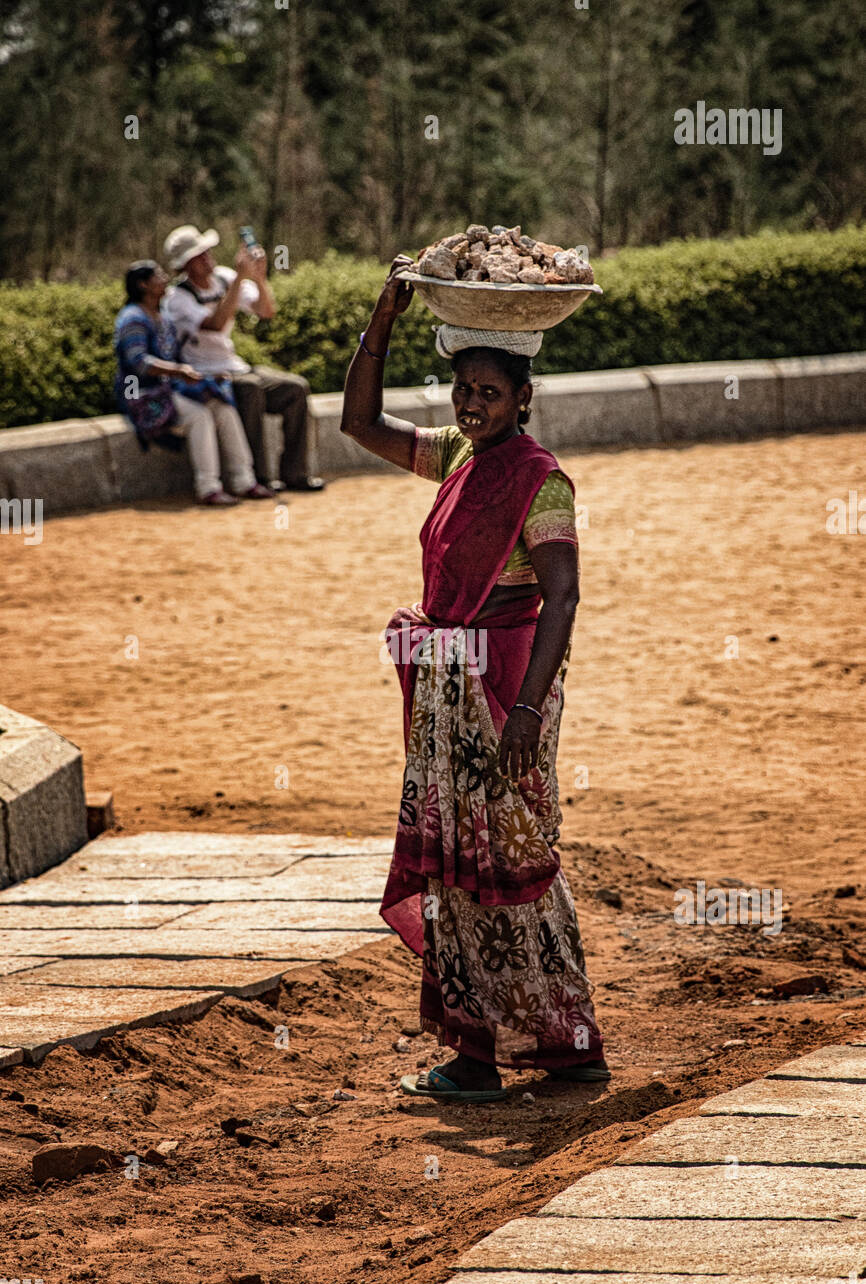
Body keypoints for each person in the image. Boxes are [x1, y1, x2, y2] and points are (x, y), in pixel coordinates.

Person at [340, 256, 610, 1100]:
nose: (472, 405)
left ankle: (569, 1042)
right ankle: (476, 1052)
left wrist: (527, 707)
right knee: (455, 864)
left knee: (516, 859)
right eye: (462, 390)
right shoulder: (457, 453)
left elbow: (562, 598)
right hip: (450, 689)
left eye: (489, 393)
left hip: (505, 694)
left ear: (523, 397)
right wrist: (384, 314)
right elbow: (358, 421)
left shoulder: (542, 480)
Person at [161, 225, 324, 492]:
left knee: (296, 389)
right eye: (199, 255)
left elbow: (266, 311)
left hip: (236, 365)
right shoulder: (177, 298)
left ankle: (295, 473)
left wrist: (258, 278)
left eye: (207, 252)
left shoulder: (224, 278)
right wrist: (239, 278)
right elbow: (214, 323)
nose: (207, 258)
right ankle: (258, 478)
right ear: (185, 266)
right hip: (207, 374)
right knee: (250, 390)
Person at [113, 261, 274, 506]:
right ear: (143, 285)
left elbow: (177, 355)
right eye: (158, 275)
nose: (165, 278)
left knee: (222, 406)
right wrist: (179, 372)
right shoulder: (133, 318)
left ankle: (245, 480)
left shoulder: (162, 316)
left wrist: (207, 375)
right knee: (199, 415)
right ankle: (208, 486)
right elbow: (139, 363)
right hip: (144, 395)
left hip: (169, 389)